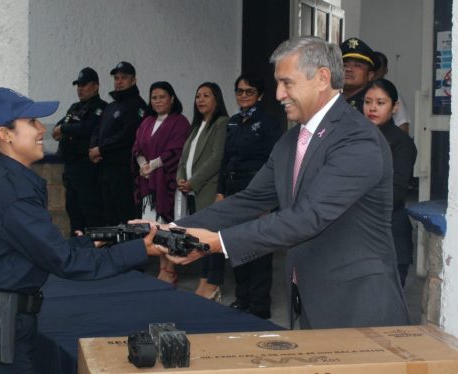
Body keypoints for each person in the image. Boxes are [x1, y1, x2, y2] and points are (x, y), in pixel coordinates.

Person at [167, 36, 410, 329]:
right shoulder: (290, 141)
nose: (279, 94)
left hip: (356, 305)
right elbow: (250, 200)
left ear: (322, 78)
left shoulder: (357, 138)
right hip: (305, 297)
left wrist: (218, 243)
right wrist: (174, 229)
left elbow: (308, 217)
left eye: (287, 83)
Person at [0, 87, 163, 372]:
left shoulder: (4, 184)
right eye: (32, 122)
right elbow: (65, 262)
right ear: (5, 134)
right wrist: (141, 249)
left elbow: (35, 251)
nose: (42, 129)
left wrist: (96, 240)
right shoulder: (12, 193)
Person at [217, 73, 282, 319]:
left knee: (259, 248)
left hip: (257, 192)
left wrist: (267, 200)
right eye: (239, 91)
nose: (243, 96)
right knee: (236, 245)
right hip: (234, 192)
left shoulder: (268, 122)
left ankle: (259, 304)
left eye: (249, 91)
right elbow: (225, 160)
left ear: (260, 95)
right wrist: (221, 191)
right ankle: (243, 298)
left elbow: (273, 162)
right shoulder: (233, 122)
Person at [132, 81, 190, 284]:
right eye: (154, 97)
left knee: (169, 227)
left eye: (162, 96)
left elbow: (177, 150)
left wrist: (154, 165)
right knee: (155, 228)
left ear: (172, 98)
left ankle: (171, 270)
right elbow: (137, 147)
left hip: (168, 185)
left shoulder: (179, 122)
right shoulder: (147, 121)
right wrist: (142, 165)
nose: (157, 101)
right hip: (149, 185)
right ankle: (162, 268)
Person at [175, 82, 228, 300]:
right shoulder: (196, 127)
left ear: (217, 100)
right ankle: (204, 281)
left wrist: (193, 181)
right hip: (193, 192)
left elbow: (217, 158)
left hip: (209, 189)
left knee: (211, 239)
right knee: (199, 239)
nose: (201, 99)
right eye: (198, 96)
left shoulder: (221, 123)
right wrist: (180, 177)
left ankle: (212, 283)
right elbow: (184, 158)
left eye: (207, 95)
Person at [364, 78, 417, 287]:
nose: (372, 108)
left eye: (380, 102)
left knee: (388, 293)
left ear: (394, 107)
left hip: (389, 226)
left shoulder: (401, 143)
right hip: (357, 229)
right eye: (368, 102)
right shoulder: (354, 137)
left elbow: (397, 188)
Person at [89, 61, 148, 225]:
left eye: (124, 78)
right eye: (116, 78)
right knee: (109, 216)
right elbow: (97, 129)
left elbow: (127, 135)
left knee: (125, 217)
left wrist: (101, 149)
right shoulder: (112, 106)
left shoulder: (138, 105)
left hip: (124, 171)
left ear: (133, 81)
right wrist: (93, 148)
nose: (119, 81)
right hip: (105, 169)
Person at [52, 67, 106, 233]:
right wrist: (64, 129)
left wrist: (66, 129)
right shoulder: (74, 107)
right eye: (78, 85)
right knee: (73, 211)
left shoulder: (101, 107)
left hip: (87, 168)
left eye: (84, 85)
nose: (80, 89)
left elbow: (87, 128)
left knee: (91, 213)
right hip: (71, 168)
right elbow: (57, 128)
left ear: (95, 86)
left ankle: (96, 250)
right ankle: (78, 248)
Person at [372, 51, 412, 134]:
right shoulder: (358, 90)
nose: (375, 70)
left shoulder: (391, 93)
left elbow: (402, 124)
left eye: (378, 66)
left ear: (385, 70)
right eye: (372, 66)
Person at [340, 37, 378, 113]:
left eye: (357, 65)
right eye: (344, 65)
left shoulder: (374, 107)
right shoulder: (328, 102)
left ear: (370, 75)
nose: (349, 69)